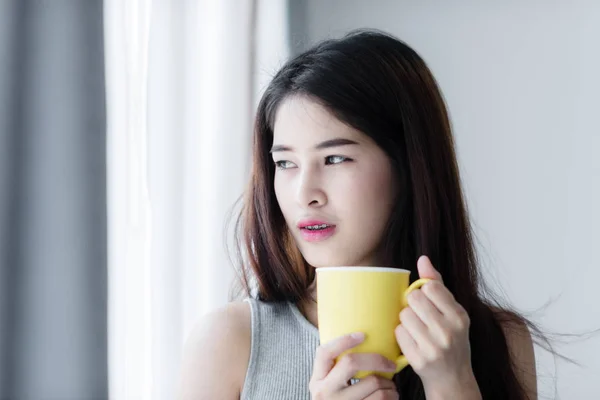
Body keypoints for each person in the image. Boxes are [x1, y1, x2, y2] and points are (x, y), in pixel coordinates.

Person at [176, 29, 538, 400]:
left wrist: (454, 384)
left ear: (409, 167)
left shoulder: (499, 340)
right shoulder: (229, 343)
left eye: (335, 158)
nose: (304, 194)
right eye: (285, 163)